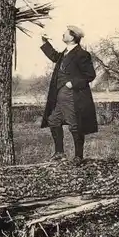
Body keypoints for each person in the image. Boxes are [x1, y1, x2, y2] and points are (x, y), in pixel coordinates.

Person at [40, 26, 98, 165]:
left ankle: (79, 156)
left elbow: (90, 75)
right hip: (59, 94)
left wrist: (73, 83)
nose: (63, 34)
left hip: (72, 94)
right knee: (53, 120)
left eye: (65, 33)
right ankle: (60, 153)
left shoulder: (82, 54)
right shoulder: (65, 53)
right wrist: (44, 42)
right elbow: (54, 56)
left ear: (72, 37)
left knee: (75, 124)